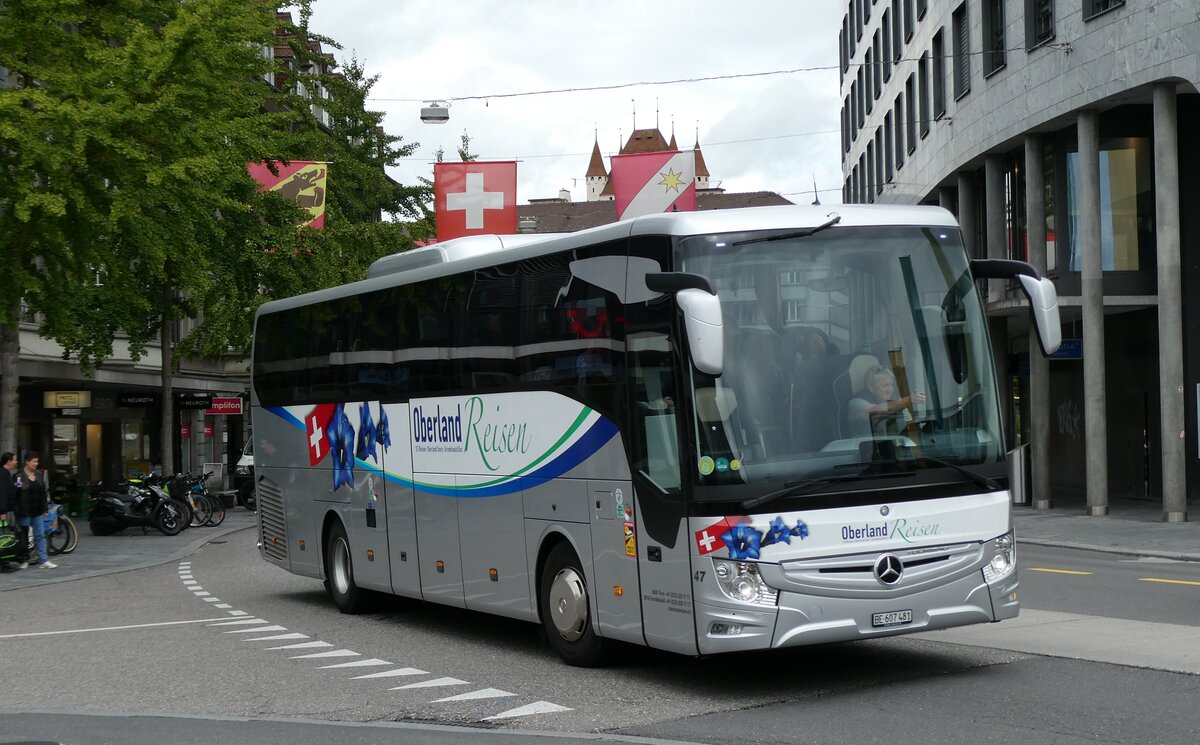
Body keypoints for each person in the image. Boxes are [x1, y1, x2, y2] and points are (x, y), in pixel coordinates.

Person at [847, 366, 926, 437]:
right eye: (885, 385)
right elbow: (873, 412)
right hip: (865, 448)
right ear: (871, 387)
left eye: (891, 385)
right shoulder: (856, 402)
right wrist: (906, 401)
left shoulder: (893, 401)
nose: (890, 390)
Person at [14, 450, 55, 570]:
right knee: (24, 536)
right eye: (34, 462)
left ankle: (43, 560)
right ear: (27, 462)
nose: (36, 464)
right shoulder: (18, 476)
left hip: (37, 511)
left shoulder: (38, 475)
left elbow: (43, 493)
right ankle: (24, 559)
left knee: (40, 535)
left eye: (37, 461)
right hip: (24, 511)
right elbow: (16, 493)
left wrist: (45, 508)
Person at [0, 452, 18, 573]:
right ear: (8, 461)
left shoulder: (6, 474)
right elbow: (2, 493)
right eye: (14, 460)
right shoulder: (3, 474)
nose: (16, 462)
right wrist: (2, 511)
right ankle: (3, 562)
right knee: (4, 536)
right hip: (5, 511)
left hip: (7, 509)